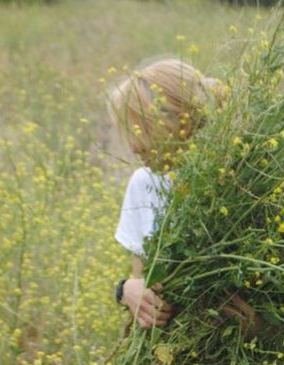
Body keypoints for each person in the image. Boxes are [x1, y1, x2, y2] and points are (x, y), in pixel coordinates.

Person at [107, 57, 259, 336]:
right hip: (166, 350)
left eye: (138, 130)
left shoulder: (245, 182)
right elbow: (140, 278)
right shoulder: (143, 183)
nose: (132, 146)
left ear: (176, 121)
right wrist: (127, 290)